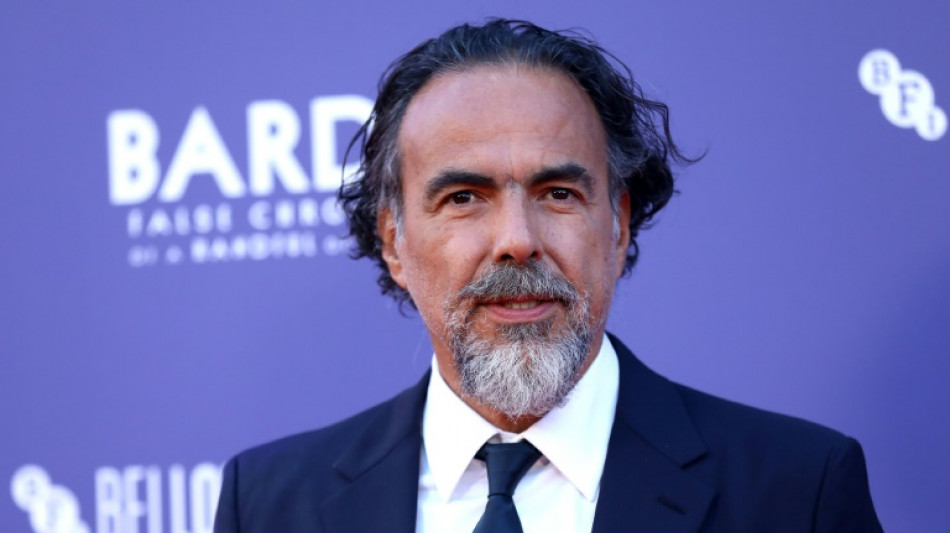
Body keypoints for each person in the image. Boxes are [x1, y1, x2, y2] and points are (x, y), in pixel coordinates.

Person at [214, 19, 883, 532]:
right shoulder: (269, 503)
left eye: (558, 193)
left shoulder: (798, 491)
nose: (517, 240)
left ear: (618, 223)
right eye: (464, 197)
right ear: (394, 241)